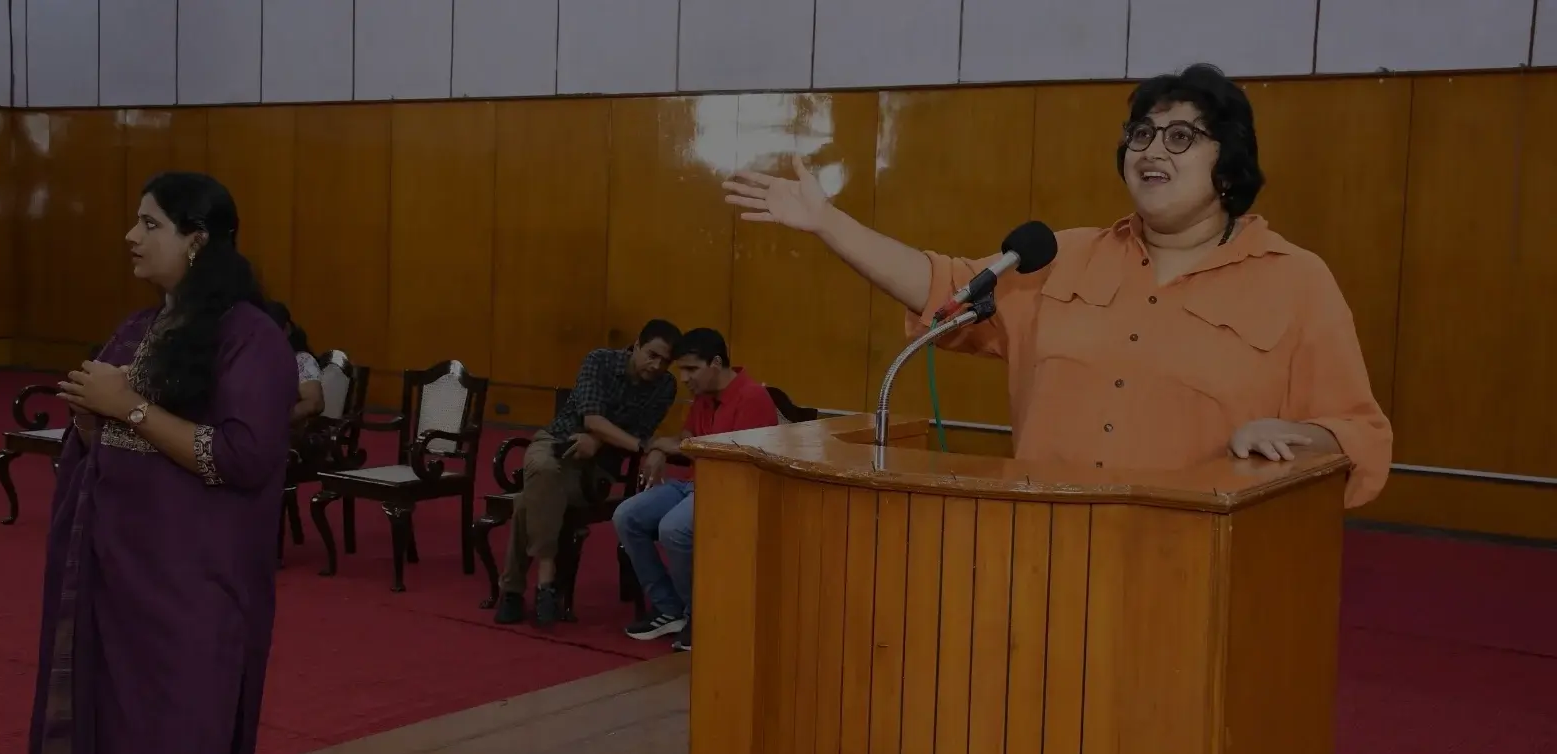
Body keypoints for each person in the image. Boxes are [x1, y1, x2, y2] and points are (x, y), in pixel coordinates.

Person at [723, 63, 1392, 507]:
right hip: (1045, 551)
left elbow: (1359, 433)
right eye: (1142, 134)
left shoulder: (1296, 280)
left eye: (1182, 136)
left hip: (1193, 570)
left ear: (1231, 162)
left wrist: (1302, 435)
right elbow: (945, 288)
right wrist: (828, 223)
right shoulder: (1058, 258)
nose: (1153, 150)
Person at [32, 172, 298, 754]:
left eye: (150, 224)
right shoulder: (137, 329)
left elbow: (242, 458)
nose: (131, 236)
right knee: (116, 753)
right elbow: (112, 447)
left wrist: (130, 408)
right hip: (117, 581)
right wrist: (94, 423)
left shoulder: (251, 337)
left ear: (197, 240)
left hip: (190, 592)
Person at [494, 320, 682, 628]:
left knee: (534, 494)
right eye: (652, 355)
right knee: (543, 470)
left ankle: (514, 589)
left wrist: (598, 440)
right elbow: (594, 419)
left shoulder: (665, 386)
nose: (656, 365)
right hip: (556, 442)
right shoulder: (600, 361)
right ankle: (545, 579)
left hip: (597, 468)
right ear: (636, 344)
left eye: (665, 361)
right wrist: (636, 443)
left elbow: (633, 428)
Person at [613, 328, 779, 652]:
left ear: (715, 362)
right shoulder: (704, 396)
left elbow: (737, 459)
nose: (685, 378)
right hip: (696, 483)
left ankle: (700, 615)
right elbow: (687, 435)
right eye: (682, 371)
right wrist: (662, 449)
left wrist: (674, 445)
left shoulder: (753, 397)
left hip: (732, 489)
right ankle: (668, 607)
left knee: (673, 528)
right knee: (626, 515)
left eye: (691, 369)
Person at [262, 300, 325, 428]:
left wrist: (277, 421)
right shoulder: (253, 358)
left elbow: (314, 403)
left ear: (287, 329)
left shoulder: (302, 360)